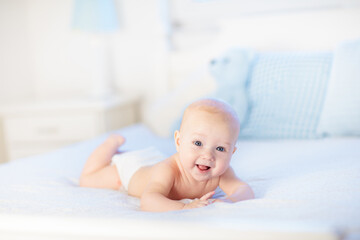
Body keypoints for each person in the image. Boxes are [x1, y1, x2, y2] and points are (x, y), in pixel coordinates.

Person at [79, 98, 254, 212]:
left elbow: (244, 190)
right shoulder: (167, 170)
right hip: (132, 170)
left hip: (153, 161)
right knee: (88, 180)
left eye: (220, 149)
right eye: (198, 143)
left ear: (232, 152)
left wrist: (230, 201)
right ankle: (111, 144)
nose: (208, 155)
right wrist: (184, 207)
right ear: (178, 142)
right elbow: (149, 200)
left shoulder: (222, 172)